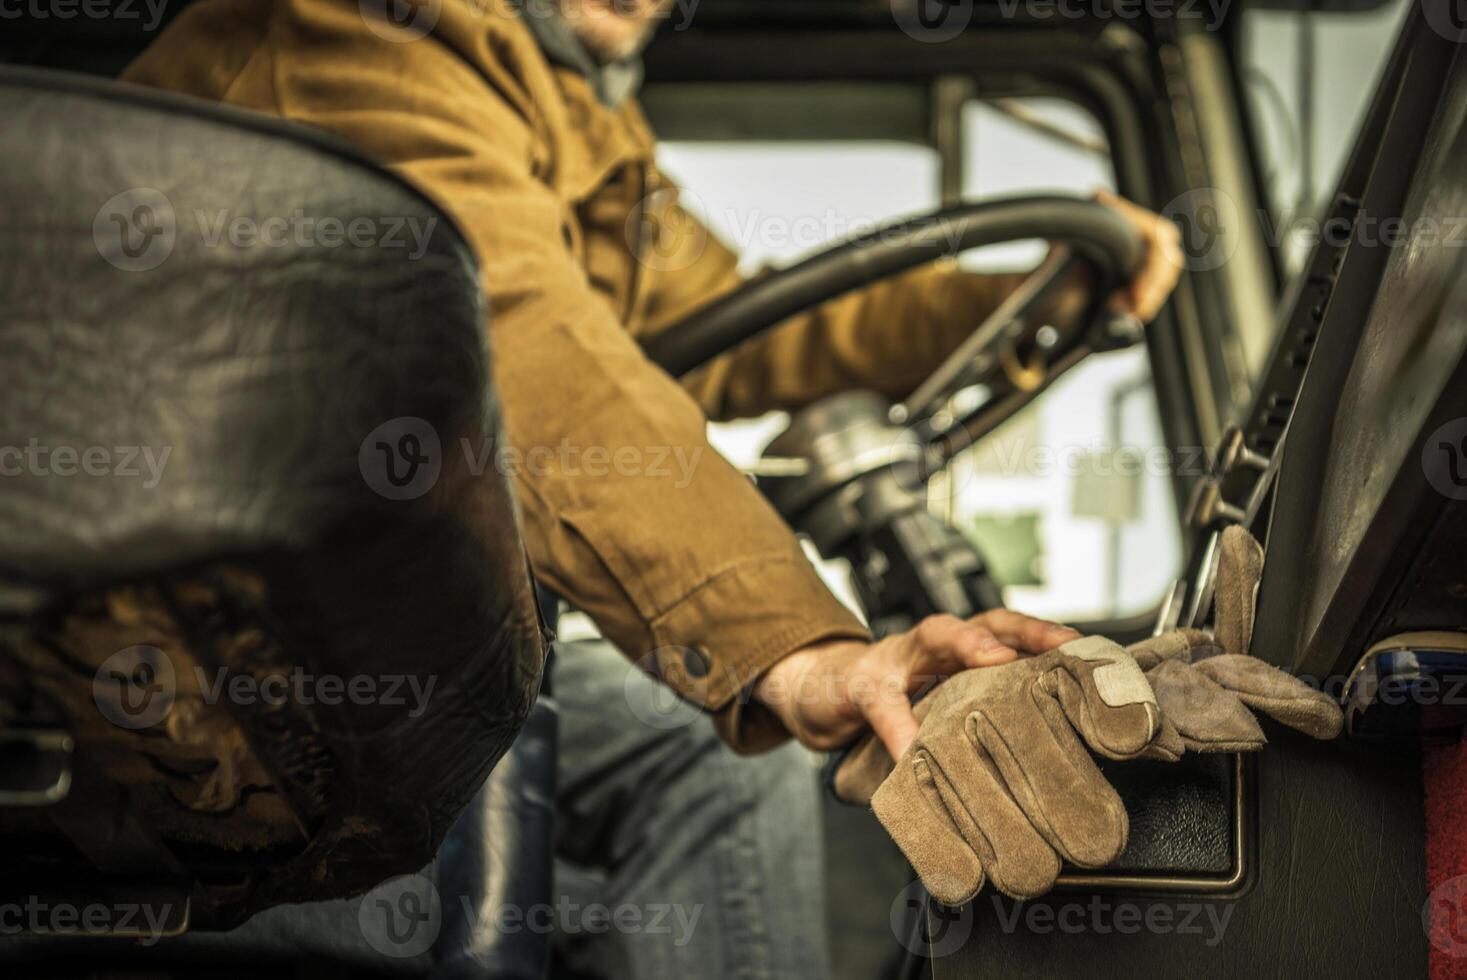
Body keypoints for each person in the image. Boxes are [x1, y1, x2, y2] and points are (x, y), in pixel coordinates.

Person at [122, 0, 1183, 975]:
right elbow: (516, 347)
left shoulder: (573, 124)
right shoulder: (365, 37)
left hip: (401, 658)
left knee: (713, 758)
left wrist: (1025, 291)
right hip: (211, 672)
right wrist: (800, 648)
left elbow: (750, 328)